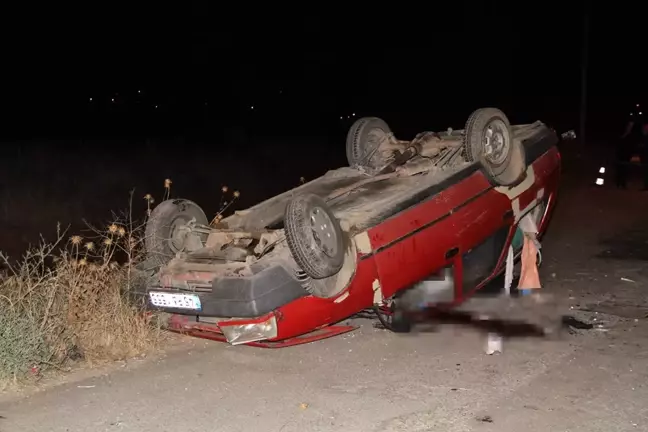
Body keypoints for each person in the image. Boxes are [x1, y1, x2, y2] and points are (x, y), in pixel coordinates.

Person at [617, 110, 643, 189]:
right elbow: (621, 140)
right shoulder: (624, 133)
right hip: (623, 151)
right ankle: (620, 182)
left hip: (628, 151)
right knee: (621, 166)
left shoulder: (633, 133)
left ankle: (623, 183)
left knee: (626, 167)